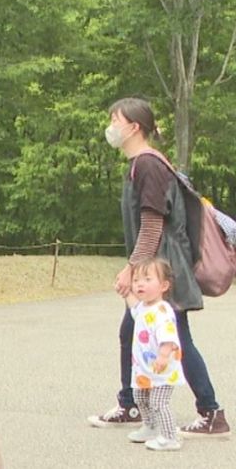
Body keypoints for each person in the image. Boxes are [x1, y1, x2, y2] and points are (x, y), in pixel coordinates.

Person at [88, 98, 228, 437]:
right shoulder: (142, 163)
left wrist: (131, 270)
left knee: (176, 335)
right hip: (159, 267)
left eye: (115, 119)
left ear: (134, 127)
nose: (111, 126)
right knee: (134, 332)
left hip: (164, 271)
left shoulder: (148, 165)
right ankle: (132, 402)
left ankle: (209, 412)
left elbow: (152, 225)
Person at [122, 258, 185, 451]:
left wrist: (164, 355)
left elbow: (168, 337)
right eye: (137, 280)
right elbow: (134, 308)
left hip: (161, 368)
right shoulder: (144, 307)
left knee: (158, 402)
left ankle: (169, 436)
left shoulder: (162, 311)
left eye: (147, 279)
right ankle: (150, 426)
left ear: (164, 286)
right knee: (140, 397)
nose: (140, 284)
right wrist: (125, 291)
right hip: (144, 368)